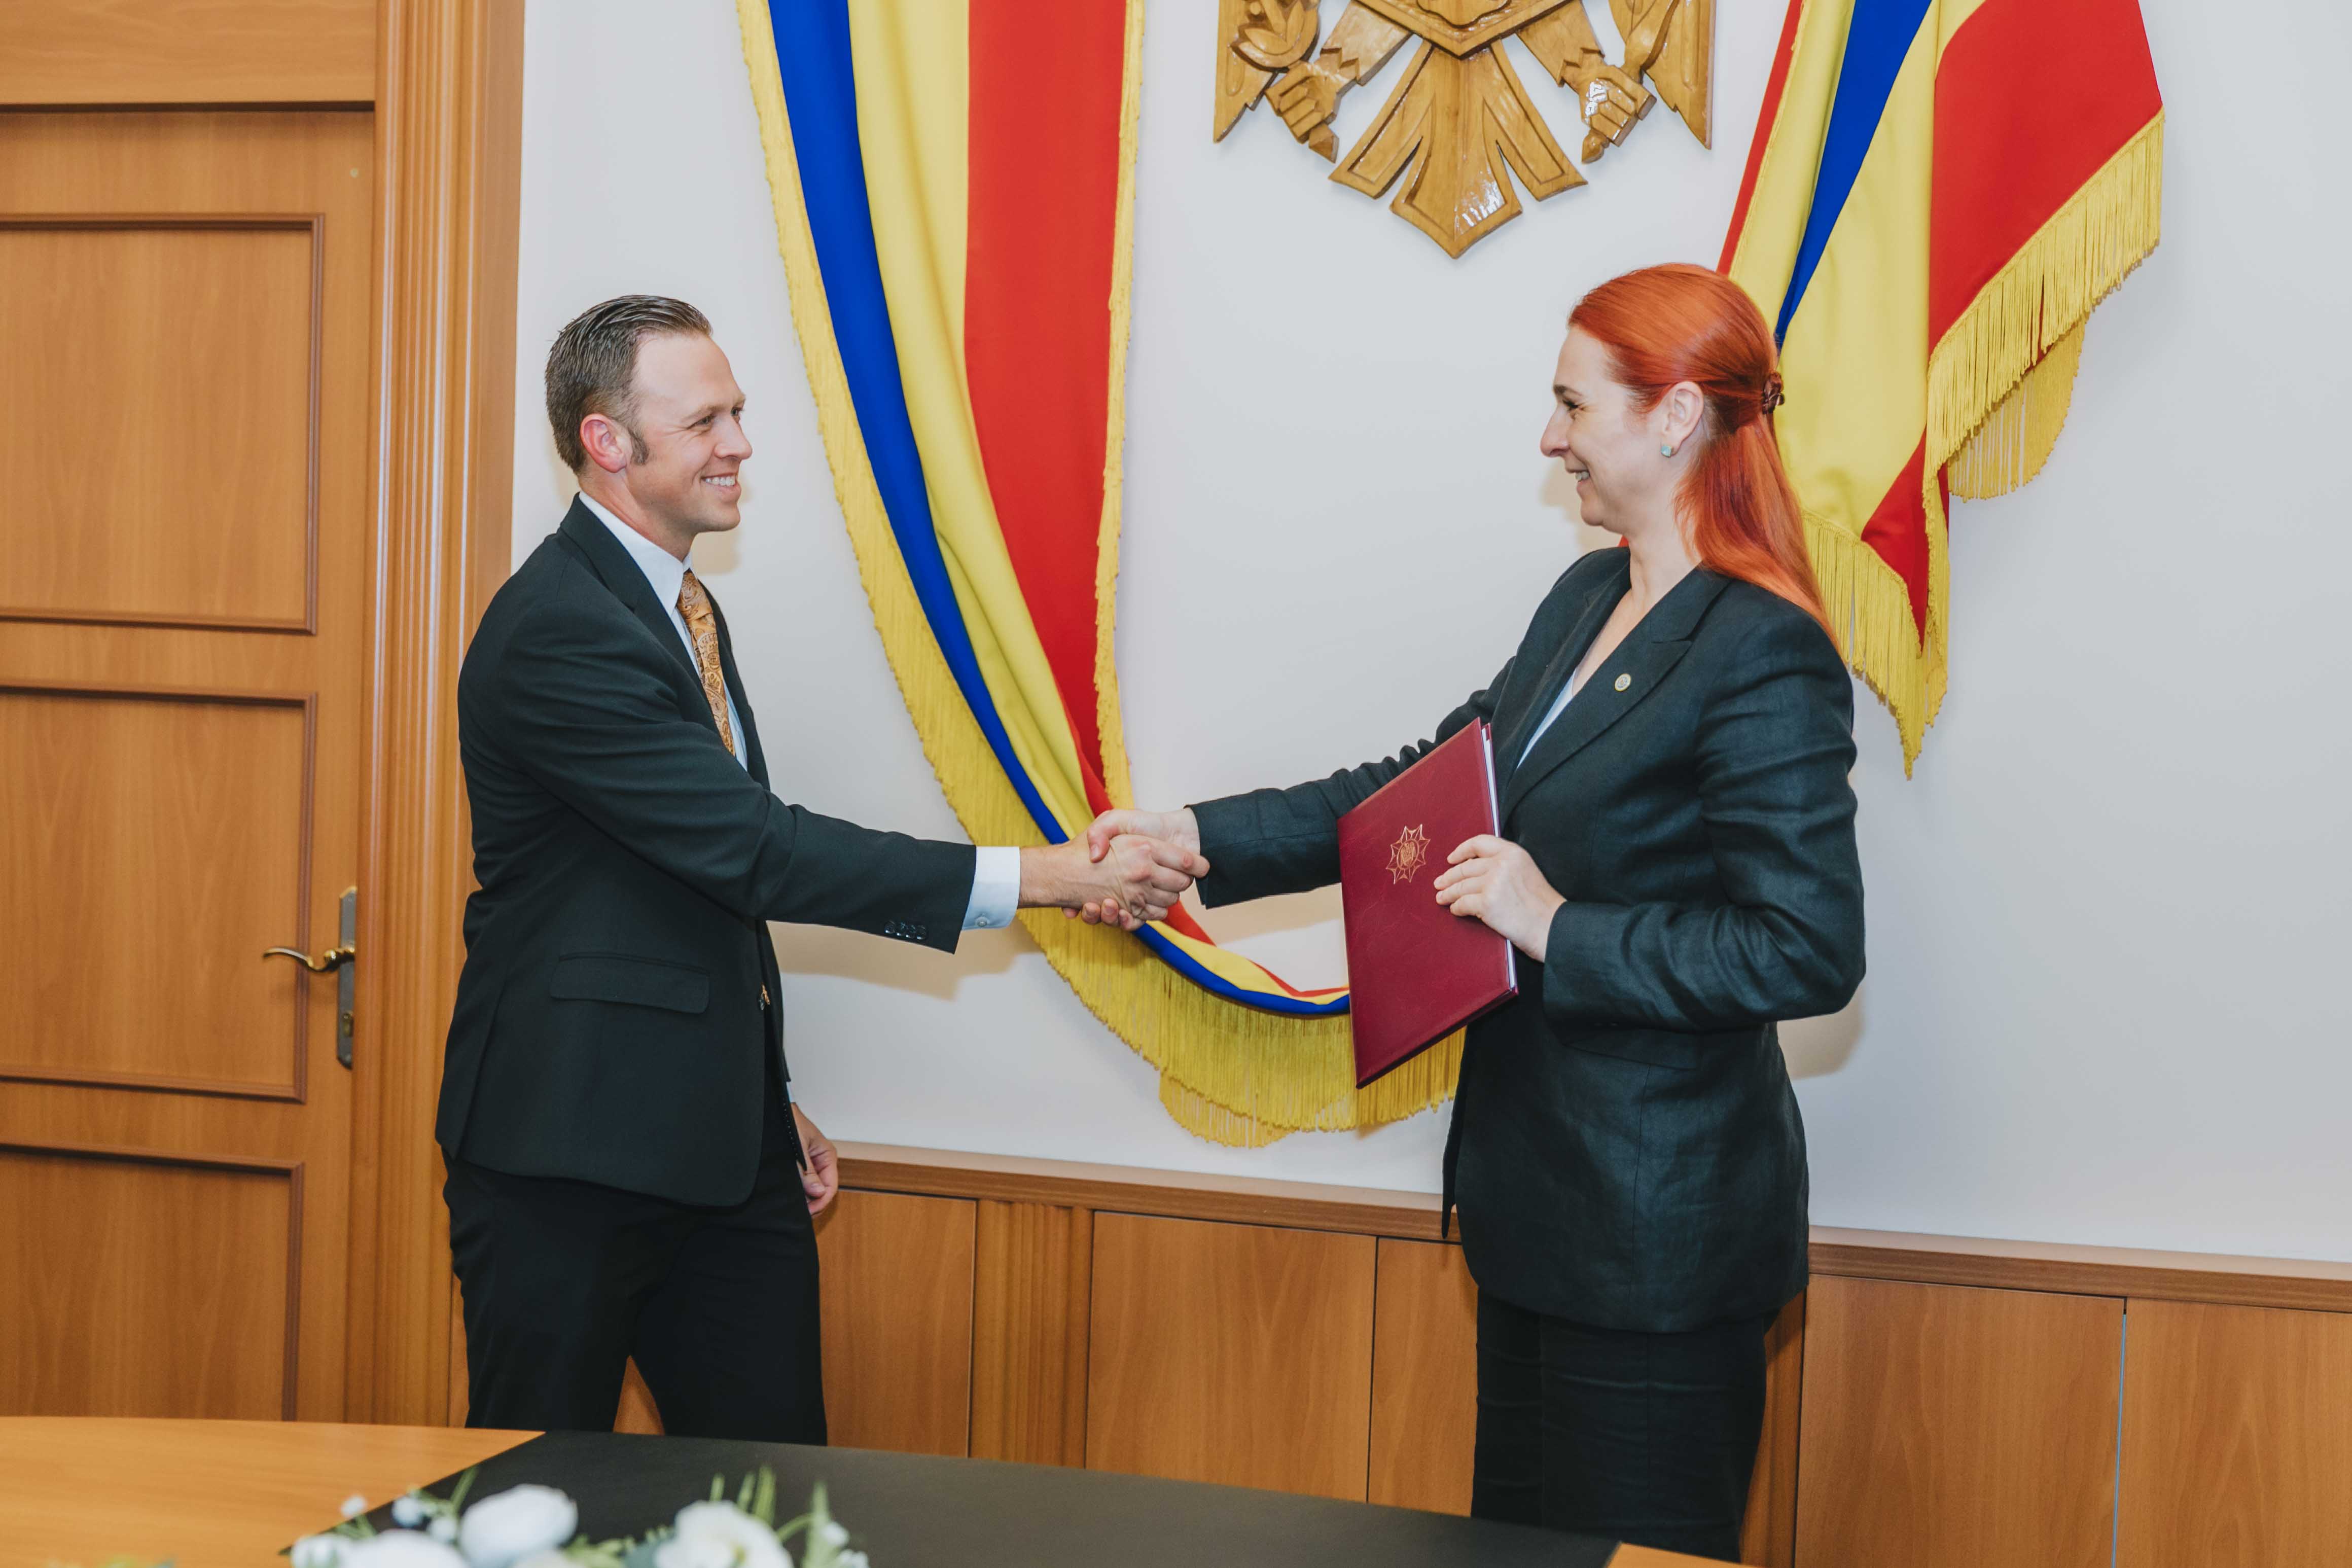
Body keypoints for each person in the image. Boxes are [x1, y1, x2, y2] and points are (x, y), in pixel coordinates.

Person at [1082, 264, 1863, 1560]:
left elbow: (1807, 947)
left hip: (1656, 1252)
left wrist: (1555, 922)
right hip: (1533, 1215)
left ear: (1676, 417)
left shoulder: (1762, 645)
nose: (1550, 437)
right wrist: (1196, 838)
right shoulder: (1587, 598)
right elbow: (1423, 793)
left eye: (1574, 404)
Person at [439, 295, 1201, 1442]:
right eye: (705, 421)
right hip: (568, 1153)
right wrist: (1045, 877)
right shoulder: (559, 626)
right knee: (537, 1494)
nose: (740, 444)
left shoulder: (682, 605)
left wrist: (762, 1090)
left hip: (717, 1148)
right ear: (607, 441)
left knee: (776, 1490)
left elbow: (690, 887)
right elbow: (755, 851)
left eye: (738, 414)